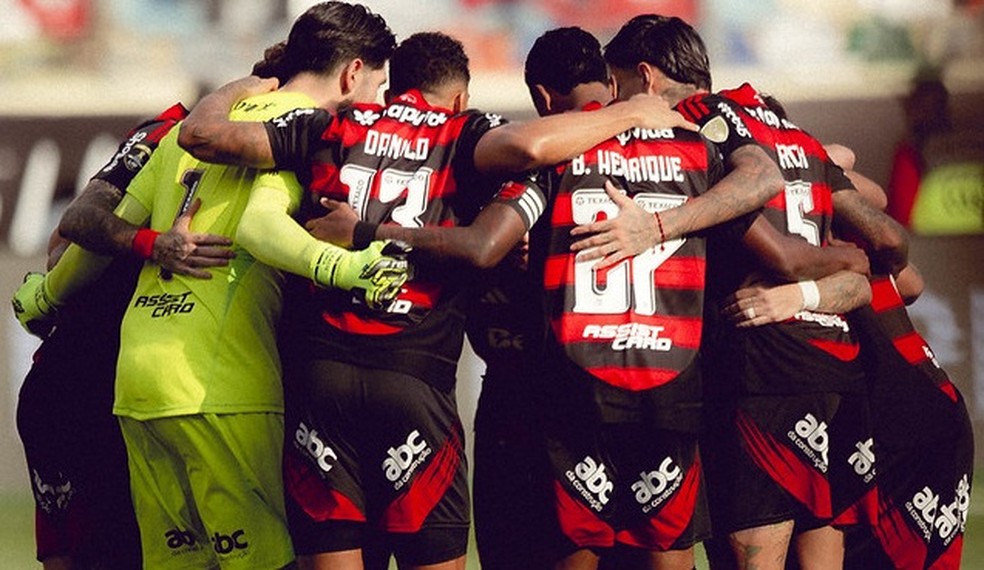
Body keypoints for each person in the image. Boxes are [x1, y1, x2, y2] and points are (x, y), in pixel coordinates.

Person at [177, 28, 697, 570]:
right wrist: (633, 114)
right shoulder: (464, 132)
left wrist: (246, 85)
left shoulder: (336, 125)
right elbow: (525, 157)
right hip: (415, 381)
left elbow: (204, 136)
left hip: (321, 379)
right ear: (459, 98)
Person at [12, 3, 408, 568]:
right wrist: (349, 268)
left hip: (141, 383)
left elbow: (90, 238)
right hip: (221, 386)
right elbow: (259, 226)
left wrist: (47, 294)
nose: (382, 104)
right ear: (352, 75)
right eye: (381, 86)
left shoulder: (178, 134)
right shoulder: (309, 133)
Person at [588, 15, 899, 569]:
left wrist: (658, 226)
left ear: (647, 78)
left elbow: (762, 190)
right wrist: (843, 258)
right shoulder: (790, 132)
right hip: (834, 367)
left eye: (618, 87)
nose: (618, 104)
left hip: (762, 365)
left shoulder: (695, 120)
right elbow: (890, 242)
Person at [12, 103, 235, 570]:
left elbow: (60, 249)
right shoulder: (165, 136)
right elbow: (66, 239)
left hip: (120, 388)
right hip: (89, 386)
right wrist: (151, 244)